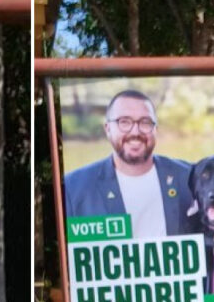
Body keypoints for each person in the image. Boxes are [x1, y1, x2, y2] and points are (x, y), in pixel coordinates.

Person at [63, 89, 198, 237]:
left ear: (155, 130)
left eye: (145, 122)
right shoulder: (73, 188)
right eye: (124, 122)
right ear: (107, 129)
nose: (135, 132)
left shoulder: (191, 176)